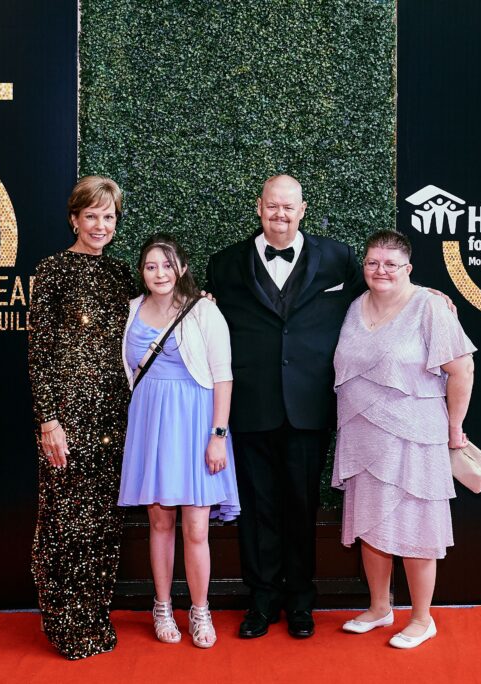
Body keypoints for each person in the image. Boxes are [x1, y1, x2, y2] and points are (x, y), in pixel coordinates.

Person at [205, 175, 366, 639]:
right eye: (272, 206)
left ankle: (300, 602)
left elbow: (378, 298)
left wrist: (425, 296)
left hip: (310, 407)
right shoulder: (225, 263)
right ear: (259, 207)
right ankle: (261, 602)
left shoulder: (338, 257)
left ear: (303, 210)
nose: (280, 214)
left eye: (288, 207)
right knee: (257, 511)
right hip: (250, 408)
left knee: (301, 506)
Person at [332, 229, 475, 649]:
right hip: (362, 435)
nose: (381, 271)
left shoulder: (430, 306)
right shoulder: (355, 306)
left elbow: (462, 369)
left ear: (408, 268)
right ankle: (380, 608)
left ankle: (422, 618)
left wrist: (454, 427)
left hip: (415, 436)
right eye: (373, 263)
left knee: (417, 526)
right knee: (371, 523)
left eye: (391, 264)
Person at [28, 176, 136, 659]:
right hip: (67, 418)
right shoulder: (50, 271)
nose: (100, 224)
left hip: (115, 417)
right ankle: (65, 624)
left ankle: (95, 616)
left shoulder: (121, 276)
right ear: (74, 218)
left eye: (108, 216)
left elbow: (152, 326)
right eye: (91, 215)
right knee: (64, 521)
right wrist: (48, 420)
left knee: (103, 524)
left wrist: (197, 308)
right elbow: (38, 352)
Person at [118, 234, 239, 649]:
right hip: (150, 423)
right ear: (142, 272)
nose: (159, 273)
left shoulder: (204, 311)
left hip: (195, 423)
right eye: (151, 266)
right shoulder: (130, 310)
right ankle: (163, 606)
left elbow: (223, 375)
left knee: (196, 527)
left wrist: (218, 436)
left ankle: (201, 610)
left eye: (167, 265)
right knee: (159, 521)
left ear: (182, 268)